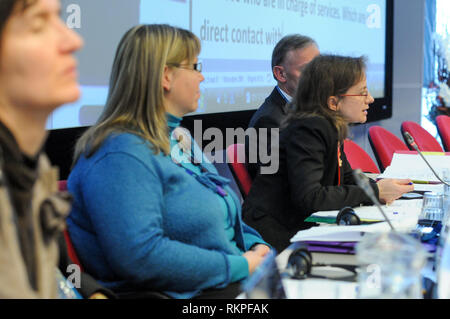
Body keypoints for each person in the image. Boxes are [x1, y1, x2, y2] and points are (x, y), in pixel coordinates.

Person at [67, 24, 270, 299]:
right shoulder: (120, 154)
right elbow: (142, 256)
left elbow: (228, 214)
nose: (201, 77)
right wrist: (241, 265)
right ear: (166, 76)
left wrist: (260, 248)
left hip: (224, 284)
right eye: (195, 66)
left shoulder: (178, 137)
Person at [0, 0, 114, 299]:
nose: (73, 39)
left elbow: (60, 270)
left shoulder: (29, 167)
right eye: (39, 25)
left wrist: (95, 293)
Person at [242, 55, 414, 252]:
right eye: (362, 93)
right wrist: (375, 192)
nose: (371, 99)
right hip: (275, 233)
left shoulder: (327, 125)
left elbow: (347, 177)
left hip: (300, 224)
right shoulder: (309, 129)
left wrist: (383, 187)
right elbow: (310, 197)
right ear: (333, 102)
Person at [245, 34, 319, 179]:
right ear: (280, 74)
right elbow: (281, 185)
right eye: (307, 70)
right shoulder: (268, 121)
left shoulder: (314, 111)